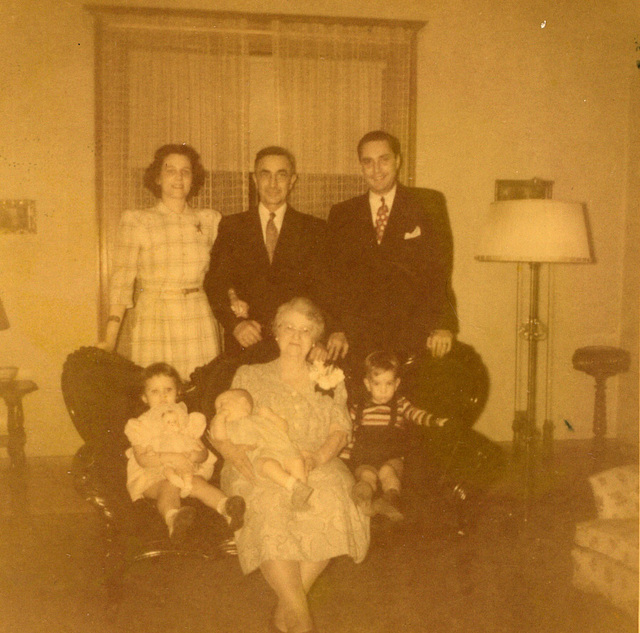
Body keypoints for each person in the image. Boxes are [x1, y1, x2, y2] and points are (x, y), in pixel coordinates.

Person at [210, 297, 369, 633]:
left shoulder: (329, 378)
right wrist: (233, 454)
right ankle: (302, 618)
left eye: (305, 330)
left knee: (333, 498)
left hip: (315, 459)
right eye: (289, 328)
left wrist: (317, 458)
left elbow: (341, 430)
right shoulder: (249, 374)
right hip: (259, 460)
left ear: (316, 339)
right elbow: (222, 424)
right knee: (267, 506)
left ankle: (288, 611)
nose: (296, 337)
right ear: (276, 333)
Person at [326, 130, 458, 367]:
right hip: (359, 339)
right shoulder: (342, 213)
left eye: (384, 159)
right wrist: (336, 329)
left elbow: (440, 271)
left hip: (413, 335)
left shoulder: (428, 204)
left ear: (398, 161)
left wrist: (444, 325)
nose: (376, 169)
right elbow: (335, 279)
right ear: (361, 166)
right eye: (368, 162)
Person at [204, 146, 346, 364]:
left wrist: (323, 336)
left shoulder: (315, 229)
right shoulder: (233, 226)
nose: (273, 184)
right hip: (247, 343)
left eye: (281, 175)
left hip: (299, 345)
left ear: (292, 180)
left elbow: (327, 291)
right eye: (265, 174)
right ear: (254, 179)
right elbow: (215, 284)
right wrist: (236, 325)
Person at [100, 144, 222, 381]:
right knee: (158, 393)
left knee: (201, 392)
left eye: (185, 171)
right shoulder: (138, 221)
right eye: (170, 170)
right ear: (157, 177)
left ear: (193, 178)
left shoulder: (209, 220)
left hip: (197, 317)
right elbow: (121, 284)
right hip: (155, 318)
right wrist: (109, 340)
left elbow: (222, 274)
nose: (178, 177)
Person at [124, 362, 245, 542]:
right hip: (154, 475)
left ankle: (227, 508)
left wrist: (196, 456)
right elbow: (142, 459)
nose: (163, 396)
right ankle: (174, 519)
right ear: (144, 397)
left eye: (168, 390)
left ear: (178, 392)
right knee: (168, 486)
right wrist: (173, 458)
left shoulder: (187, 419)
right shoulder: (141, 424)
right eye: (154, 392)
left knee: (199, 484)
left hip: (188, 472)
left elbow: (202, 451)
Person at [342, 351, 448, 523]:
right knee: (366, 475)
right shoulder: (358, 408)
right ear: (367, 384)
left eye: (388, 383)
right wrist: (345, 458)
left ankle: (389, 501)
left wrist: (434, 420)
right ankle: (363, 498)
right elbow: (348, 434)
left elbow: (415, 414)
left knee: (388, 472)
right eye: (377, 384)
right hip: (364, 456)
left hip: (391, 456)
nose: (383, 390)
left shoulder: (399, 404)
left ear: (397, 383)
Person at [211, 388, 314, 511]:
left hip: (281, 449)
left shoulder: (259, 418)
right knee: (268, 465)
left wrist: (271, 416)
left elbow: (283, 428)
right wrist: (219, 418)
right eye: (216, 409)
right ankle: (294, 485)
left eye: (222, 404)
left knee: (297, 462)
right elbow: (219, 437)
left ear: (243, 403)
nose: (218, 410)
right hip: (259, 456)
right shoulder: (229, 426)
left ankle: (302, 493)